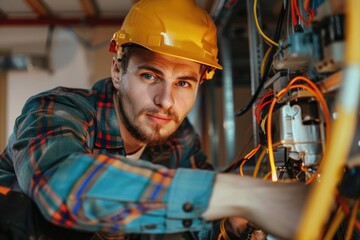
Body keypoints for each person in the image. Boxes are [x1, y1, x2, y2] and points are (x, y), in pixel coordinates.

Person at [0, 0, 309, 239]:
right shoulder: (56, 110)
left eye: (183, 83)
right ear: (118, 72)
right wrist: (243, 195)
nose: (165, 100)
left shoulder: (178, 137)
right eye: (150, 75)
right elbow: (65, 188)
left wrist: (231, 224)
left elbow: (200, 225)